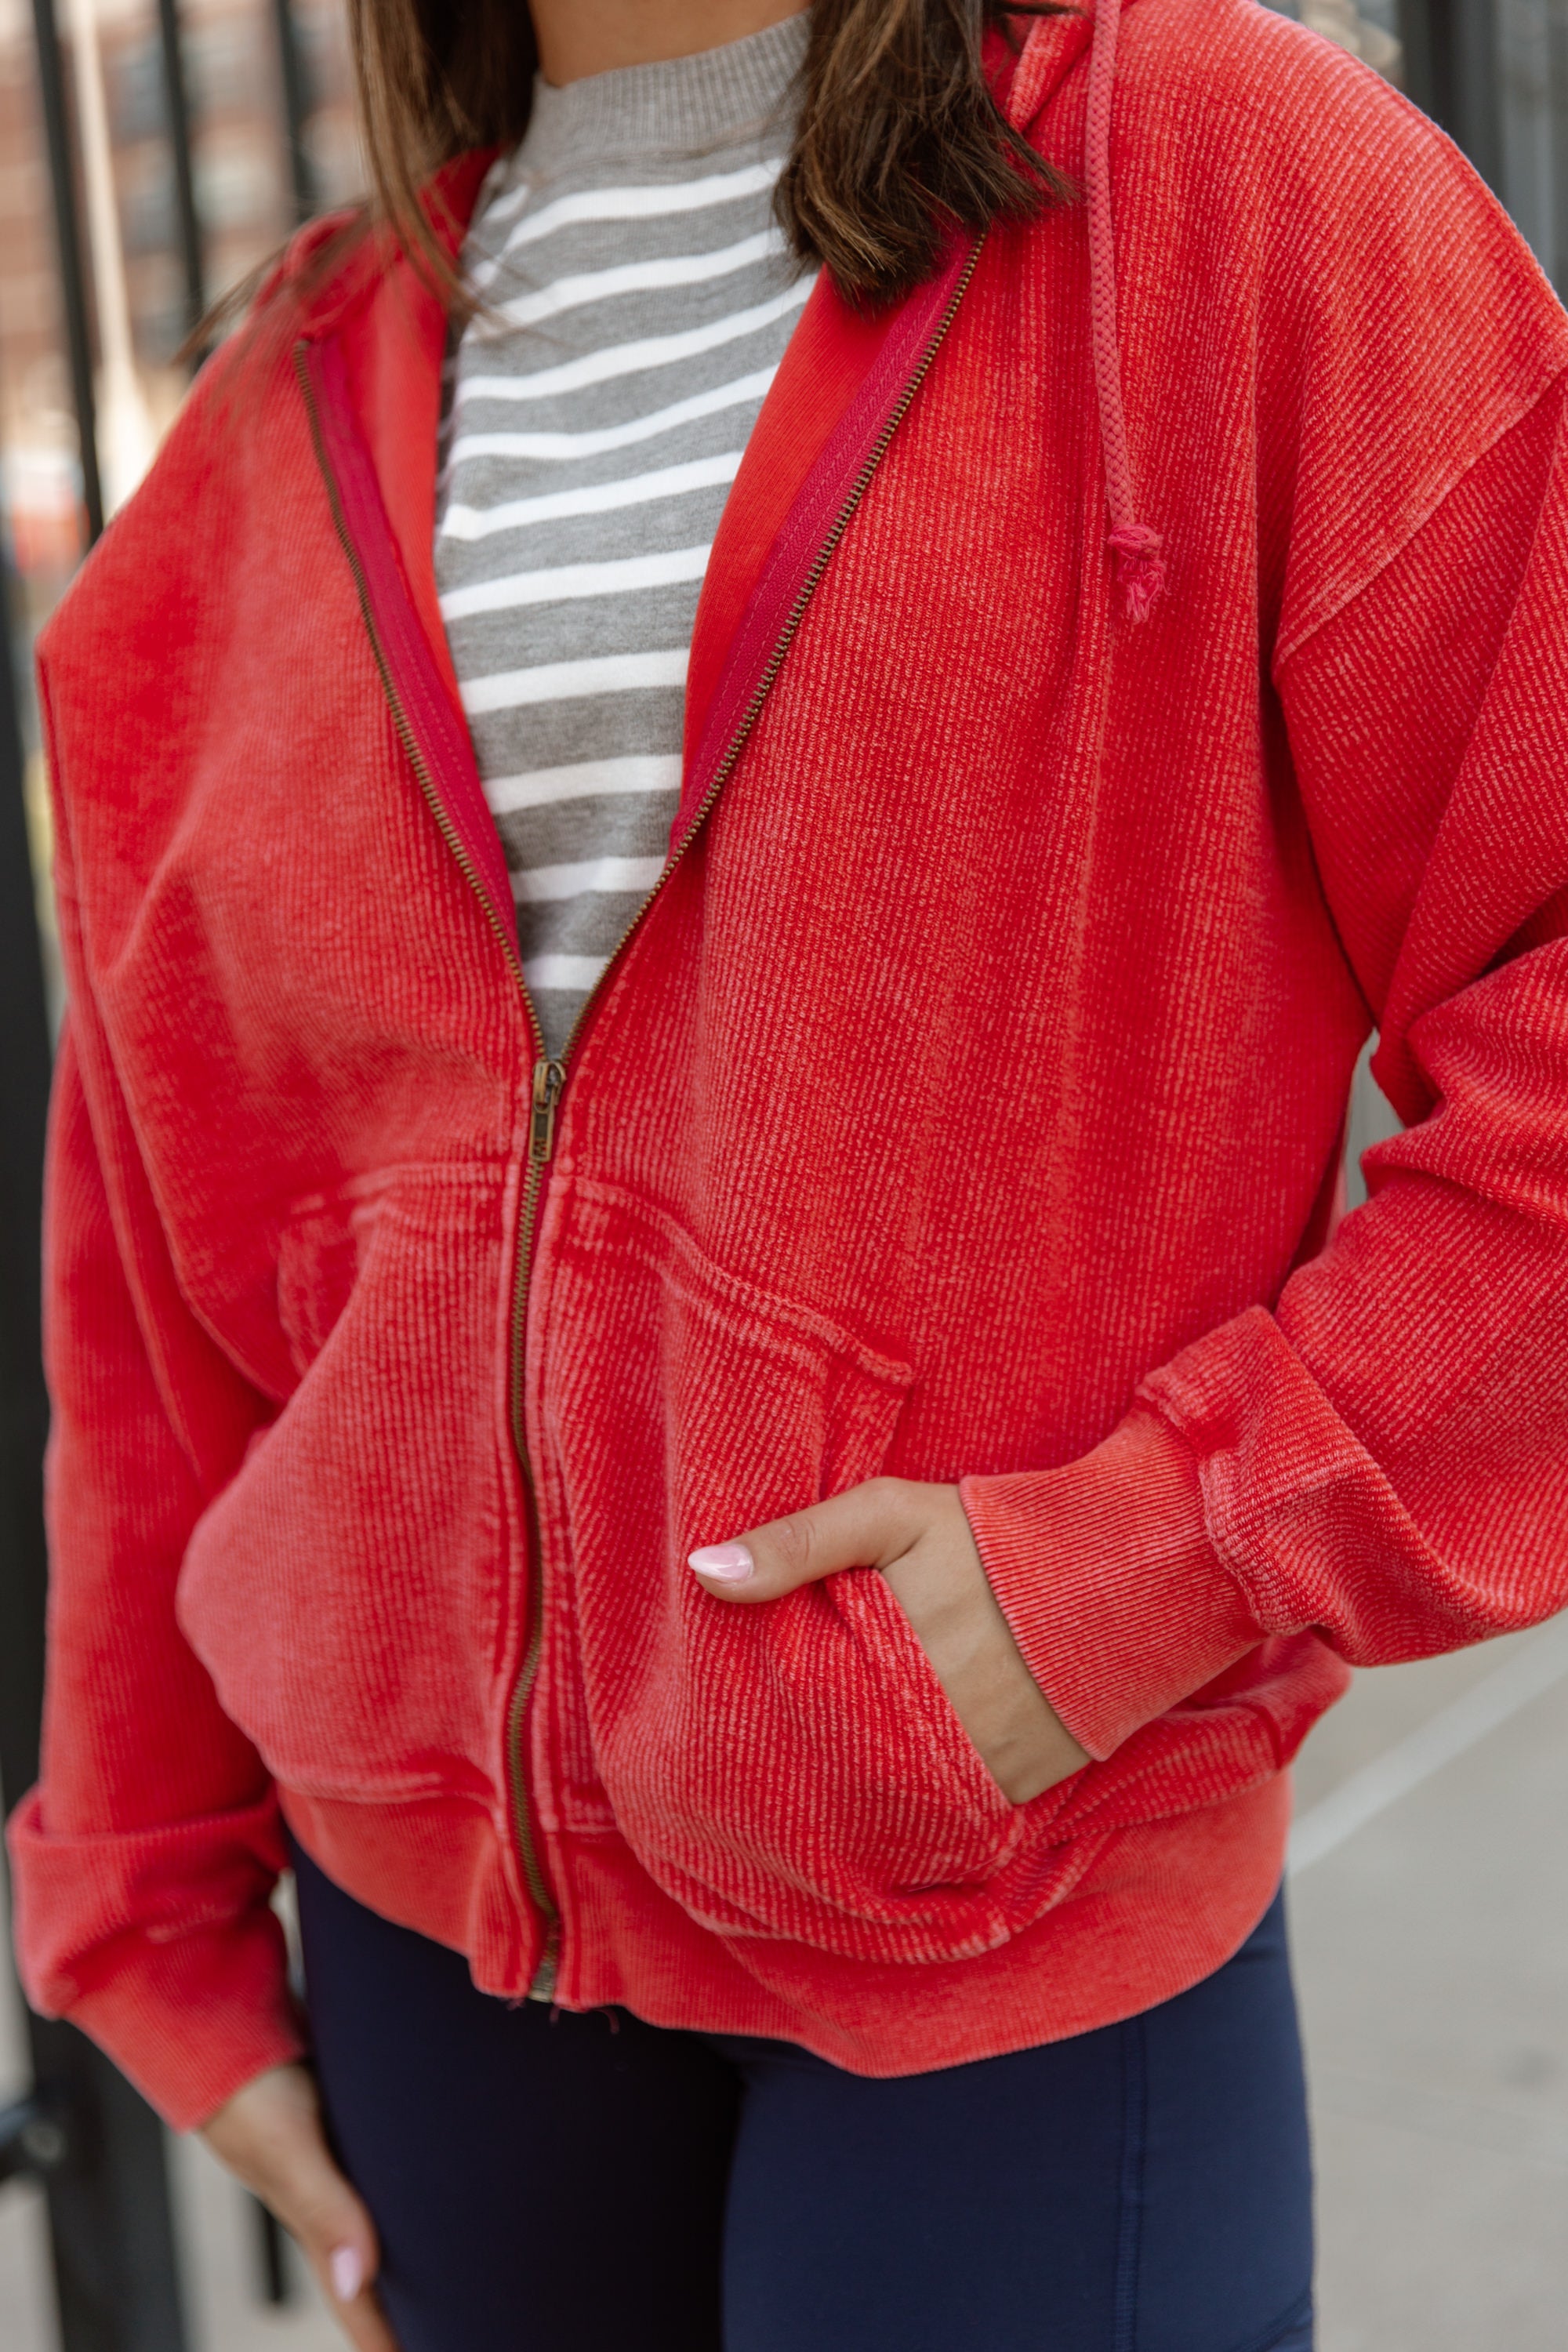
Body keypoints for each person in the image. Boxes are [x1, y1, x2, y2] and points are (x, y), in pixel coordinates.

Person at [10, 0, 1568, 2341]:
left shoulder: (1220, 186)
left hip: (1009, 1894)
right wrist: (140, 1890)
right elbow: (155, 1238)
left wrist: (1162, 1559)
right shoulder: (292, 388)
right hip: (436, 1932)